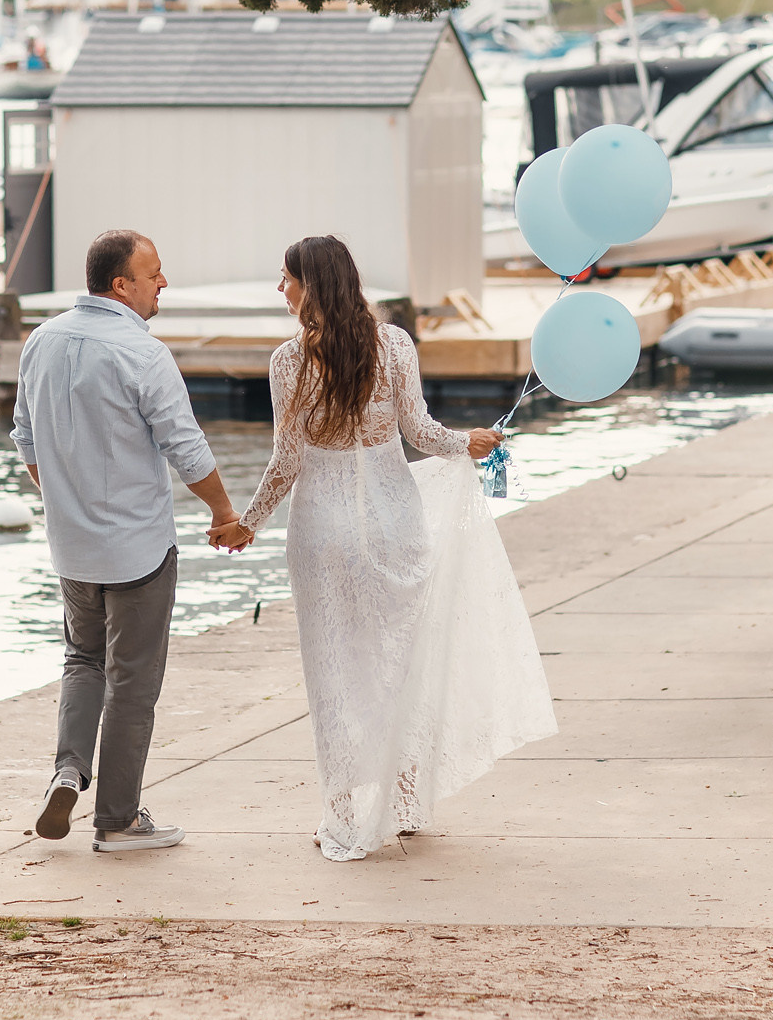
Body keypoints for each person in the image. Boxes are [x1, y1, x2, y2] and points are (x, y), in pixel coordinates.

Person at [233, 235, 557, 861]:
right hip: (394, 521)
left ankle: (346, 811)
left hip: (323, 531)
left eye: (286, 279)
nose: (282, 290)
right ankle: (404, 801)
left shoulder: (288, 361)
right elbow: (420, 432)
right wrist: (467, 441)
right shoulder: (395, 345)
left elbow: (286, 460)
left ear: (311, 286)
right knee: (397, 661)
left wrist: (247, 523)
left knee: (333, 669)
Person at [12, 228, 247, 853]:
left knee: (82, 661)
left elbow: (25, 439)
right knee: (133, 681)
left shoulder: (41, 340)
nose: (163, 282)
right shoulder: (142, 353)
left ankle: (68, 771)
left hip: (72, 550)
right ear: (123, 285)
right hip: (137, 548)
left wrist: (66, 500)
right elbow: (184, 445)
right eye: (155, 273)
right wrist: (225, 511)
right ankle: (116, 820)